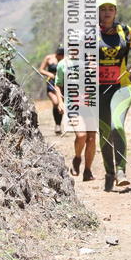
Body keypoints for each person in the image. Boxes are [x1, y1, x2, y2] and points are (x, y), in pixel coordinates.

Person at [97, 0, 131, 192]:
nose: (107, 12)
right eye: (103, 9)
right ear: (97, 12)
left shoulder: (125, 31)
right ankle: (109, 173)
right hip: (98, 90)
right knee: (105, 133)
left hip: (122, 87)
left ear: (115, 12)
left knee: (117, 125)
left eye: (111, 9)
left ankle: (121, 170)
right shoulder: (89, 35)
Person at [54, 48, 96, 181]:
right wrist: (60, 102)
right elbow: (58, 85)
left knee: (91, 138)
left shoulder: (90, 62)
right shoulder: (62, 64)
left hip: (90, 105)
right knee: (82, 135)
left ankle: (88, 171)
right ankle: (77, 158)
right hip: (73, 105)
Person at [39, 45, 65, 134]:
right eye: (59, 56)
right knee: (55, 102)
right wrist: (49, 74)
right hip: (51, 83)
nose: (60, 58)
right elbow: (41, 70)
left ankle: (58, 124)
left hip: (62, 83)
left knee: (60, 104)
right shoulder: (49, 58)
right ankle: (57, 125)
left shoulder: (65, 59)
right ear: (57, 54)